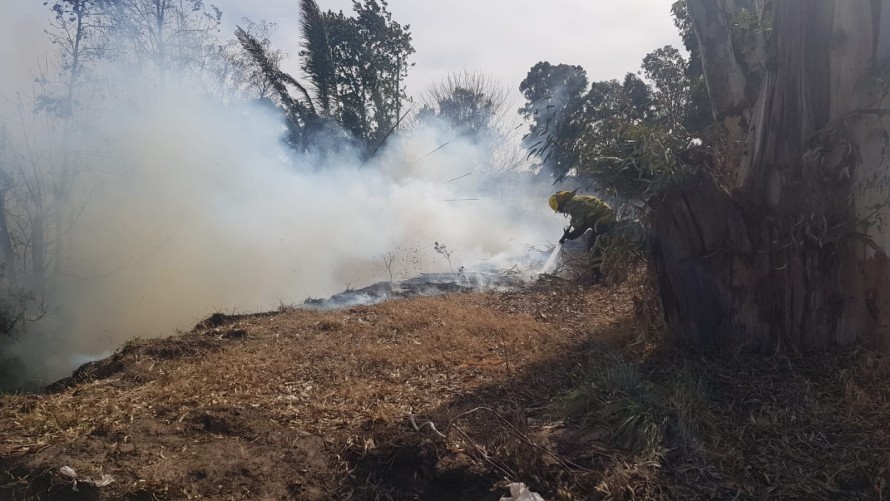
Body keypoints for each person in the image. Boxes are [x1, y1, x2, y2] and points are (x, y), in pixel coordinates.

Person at [548, 190, 615, 249]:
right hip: (603, 216)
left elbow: (581, 226)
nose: (561, 211)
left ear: (562, 203)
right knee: (593, 240)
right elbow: (584, 223)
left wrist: (571, 236)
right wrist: (571, 235)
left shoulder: (574, 206)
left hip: (604, 218)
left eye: (560, 209)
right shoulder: (574, 201)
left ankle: (600, 262)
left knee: (594, 244)